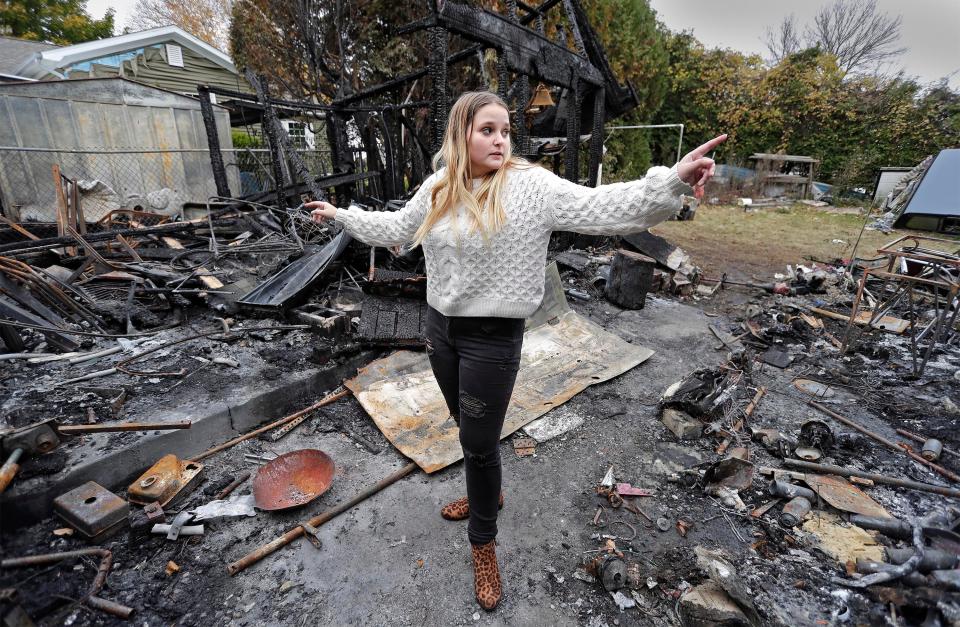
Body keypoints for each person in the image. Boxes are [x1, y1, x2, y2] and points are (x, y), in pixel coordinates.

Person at [308, 90, 725, 611]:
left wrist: (670, 181)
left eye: (505, 130)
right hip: (440, 332)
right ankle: (491, 493)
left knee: (479, 443)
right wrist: (341, 214)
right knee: (467, 429)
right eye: (487, 129)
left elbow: (606, 208)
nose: (501, 139)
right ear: (461, 134)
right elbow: (396, 228)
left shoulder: (531, 187)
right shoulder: (439, 187)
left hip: (492, 341)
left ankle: (483, 543)